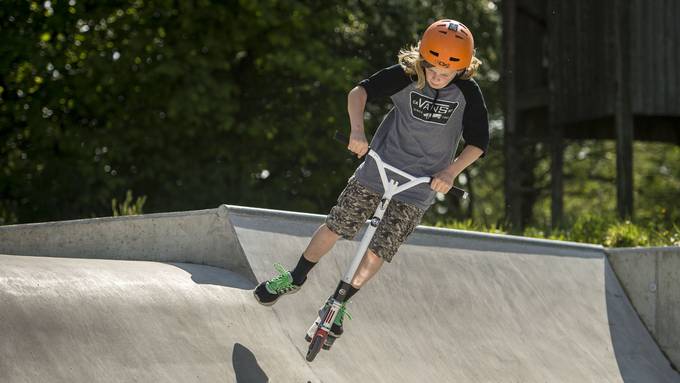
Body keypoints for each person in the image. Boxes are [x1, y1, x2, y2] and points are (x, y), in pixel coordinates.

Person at [253, 19, 489, 349]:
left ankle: (338, 303)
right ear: (423, 57)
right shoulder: (407, 74)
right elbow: (359, 92)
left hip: (420, 186)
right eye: (432, 67)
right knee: (338, 224)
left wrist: (450, 172)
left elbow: (478, 143)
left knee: (381, 249)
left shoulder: (467, 92)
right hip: (378, 169)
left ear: (461, 68)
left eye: (445, 72)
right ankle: (295, 276)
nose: (436, 76)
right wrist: (357, 131)